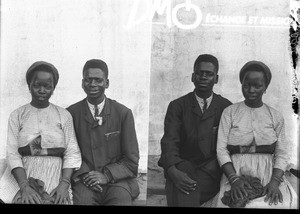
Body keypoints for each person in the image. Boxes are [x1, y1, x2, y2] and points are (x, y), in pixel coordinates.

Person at [211, 61, 298, 209]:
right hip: (235, 171)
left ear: (265, 88)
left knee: (281, 203)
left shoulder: (275, 116)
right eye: (246, 85)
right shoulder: (230, 112)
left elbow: (282, 152)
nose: (251, 90)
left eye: (257, 85)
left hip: (268, 173)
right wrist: (234, 179)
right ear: (242, 85)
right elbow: (221, 149)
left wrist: (275, 182)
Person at [0, 61, 82, 204]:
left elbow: (72, 152)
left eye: (47, 86)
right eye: (37, 85)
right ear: (29, 86)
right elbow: (12, 153)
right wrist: (24, 186)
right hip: (23, 174)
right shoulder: (17, 115)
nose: (42, 90)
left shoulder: (63, 115)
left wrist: (64, 184)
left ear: (53, 88)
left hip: (56, 174)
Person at [157, 54, 232, 207]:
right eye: (200, 73)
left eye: (209, 74)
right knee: (180, 183)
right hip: (183, 166)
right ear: (193, 76)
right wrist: (172, 171)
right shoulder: (177, 106)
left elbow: (228, 146)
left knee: (185, 190)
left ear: (216, 79)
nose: (204, 77)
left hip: (212, 171)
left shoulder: (226, 107)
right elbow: (169, 142)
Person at [67, 59, 140, 206]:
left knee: (121, 202)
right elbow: (68, 153)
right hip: (84, 180)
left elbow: (131, 160)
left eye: (98, 80)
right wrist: (86, 176)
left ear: (107, 83)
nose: (93, 84)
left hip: (117, 181)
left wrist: (106, 175)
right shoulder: (71, 114)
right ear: (82, 83)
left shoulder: (122, 113)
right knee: (82, 201)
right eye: (88, 80)